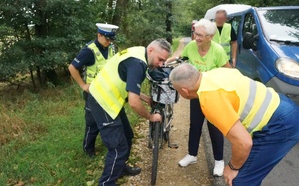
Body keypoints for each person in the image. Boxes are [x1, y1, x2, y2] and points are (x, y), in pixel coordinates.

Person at [169, 63, 299, 186]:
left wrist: (232, 167)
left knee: (240, 181)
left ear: (185, 91)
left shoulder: (209, 99)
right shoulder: (214, 73)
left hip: (280, 125)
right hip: (281, 104)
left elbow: (243, 143)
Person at [87, 39, 171, 185]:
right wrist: (151, 117)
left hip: (111, 99)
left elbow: (128, 83)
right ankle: (106, 183)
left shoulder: (139, 51)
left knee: (127, 136)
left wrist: (145, 98)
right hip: (102, 101)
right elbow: (133, 102)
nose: (161, 64)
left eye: (164, 61)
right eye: (160, 59)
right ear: (151, 50)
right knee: (118, 148)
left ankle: (119, 168)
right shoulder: (138, 64)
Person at [166, 19, 230, 176]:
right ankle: (192, 155)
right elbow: (180, 55)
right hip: (196, 93)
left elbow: (228, 71)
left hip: (213, 95)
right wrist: (169, 60)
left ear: (210, 36)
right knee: (195, 124)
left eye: (200, 35)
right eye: (195, 33)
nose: (197, 38)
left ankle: (219, 161)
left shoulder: (217, 51)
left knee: (214, 128)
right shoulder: (192, 46)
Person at [68, 23, 119, 158]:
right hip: (93, 94)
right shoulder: (89, 51)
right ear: (99, 35)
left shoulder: (111, 47)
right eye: (107, 38)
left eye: (111, 39)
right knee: (92, 123)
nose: (109, 42)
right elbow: (72, 68)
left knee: (110, 119)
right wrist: (83, 85)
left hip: (108, 92)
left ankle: (110, 145)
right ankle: (88, 149)